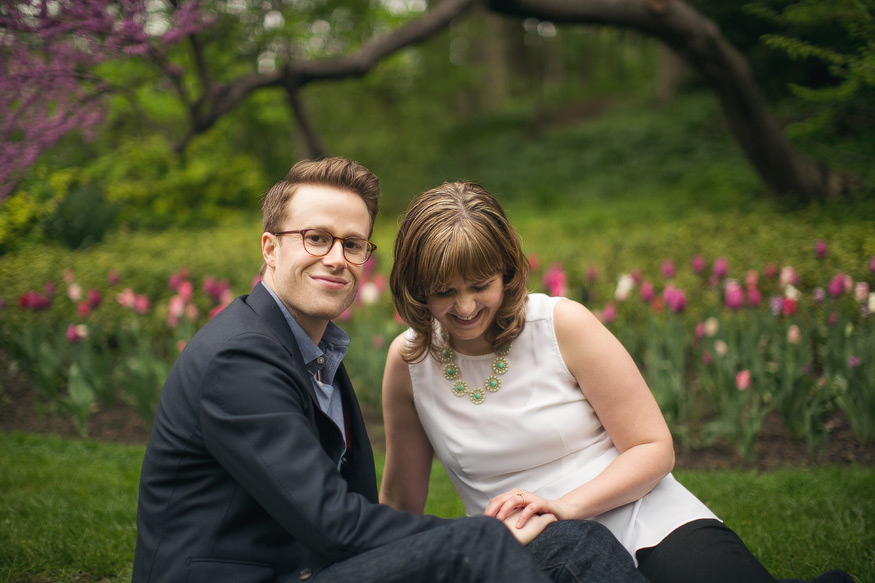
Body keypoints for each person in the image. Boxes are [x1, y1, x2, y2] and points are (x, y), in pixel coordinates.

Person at [132, 158, 647, 583]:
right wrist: (485, 534)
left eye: (353, 244)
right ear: (270, 248)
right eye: (316, 238)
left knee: (568, 542)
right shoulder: (239, 358)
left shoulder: (313, 354)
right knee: (482, 549)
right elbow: (332, 523)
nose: (336, 257)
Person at [381, 181, 856, 583]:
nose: (464, 308)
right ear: (417, 288)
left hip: (643, 512)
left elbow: (653, 446)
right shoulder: (410, 362)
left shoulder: (561, 325)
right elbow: (401, 502)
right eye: (445, 292)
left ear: (506, 273)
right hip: (525, 547)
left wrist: (564, 506)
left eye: (479, 285)